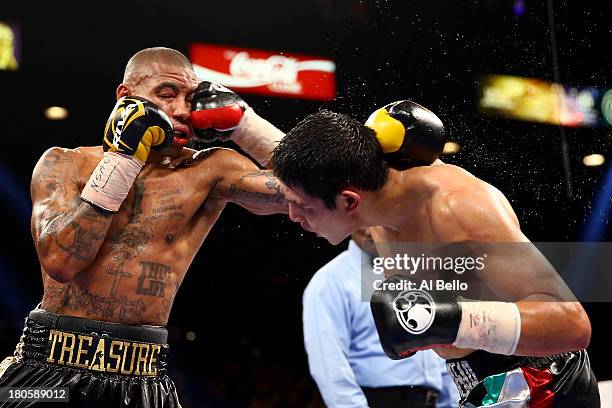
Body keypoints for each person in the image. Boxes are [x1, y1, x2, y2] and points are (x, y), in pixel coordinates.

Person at [0, 47, 288, 407]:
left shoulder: (211, 169)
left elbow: (307, 194)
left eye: (191, 97)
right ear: (126, 96)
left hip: (143, 376)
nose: (183, 110)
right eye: (167, 94)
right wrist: (123, 159)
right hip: (47, 368)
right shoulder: (65, 163)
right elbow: (61, 261)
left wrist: (248, 128)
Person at [271, 101, 600, 407]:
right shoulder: (368, 199)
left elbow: (573, 325)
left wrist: (448, 320)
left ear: (348, 202)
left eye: (300, 207)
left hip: (543, 380)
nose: (292, 215)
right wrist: (242, 123)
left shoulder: (455, 208)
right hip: (479, 380)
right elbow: (302, 181)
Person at [303, 228, 459, 407]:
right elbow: (329, 364)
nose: (371, 230)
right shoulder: (330, 280)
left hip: (432, 400)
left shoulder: (416, 271)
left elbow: (439, 347)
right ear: (350, 221)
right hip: (376, 400)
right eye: (364, 221)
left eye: (376, 220)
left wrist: (453, 403)